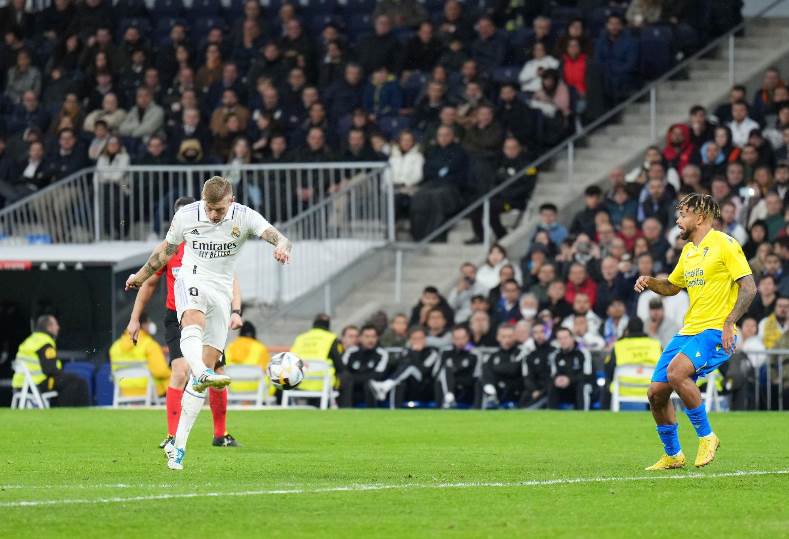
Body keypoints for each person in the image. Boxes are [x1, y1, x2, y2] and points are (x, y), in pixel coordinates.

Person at [125, 177, 292, 470]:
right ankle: (202, 371)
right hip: (190, 279)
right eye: (209, 208)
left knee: (202, 378)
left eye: (219, 209)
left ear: (232, 200)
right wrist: (139, 277)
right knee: (192, 319)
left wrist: (282, 247)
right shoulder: (187, 216)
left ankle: (178, 447)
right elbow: (163, 251)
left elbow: (279, 236)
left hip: (222, 291)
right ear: (203, 201)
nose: (214, 215)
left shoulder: (245, 216)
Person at [634, 193, 755, 470]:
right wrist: (651, 281)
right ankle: (674, 454)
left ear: (700, 218)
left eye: (683, 214)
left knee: (677, 373)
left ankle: (707, 437)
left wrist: (729, 322)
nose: (678, 220)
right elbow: (673, 287)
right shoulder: (688, 251)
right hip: (689, 330)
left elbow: (749, 287)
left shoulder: (725, 244)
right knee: (655, 392)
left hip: (715, 330)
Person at [126, 196, 246, 450]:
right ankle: (172, 436)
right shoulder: (167, 248)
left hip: (210, 314)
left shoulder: (213, 244)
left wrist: (236, 310)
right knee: (180, 371)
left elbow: (231, 280)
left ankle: (220, 434)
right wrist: (134, 318)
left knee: (216, 374)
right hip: (177, 316)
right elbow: (148, 283)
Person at [12, 315, 90, 407]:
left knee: (65, 380)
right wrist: (61, 373)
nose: (58, 327)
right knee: (78, 381)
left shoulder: (30, 340)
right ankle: (66, 411)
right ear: (49, 327)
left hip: (20, 384)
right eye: (56, 324)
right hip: (36, 384)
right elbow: (50, 369)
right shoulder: (45, 342)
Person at [369, 326, 441, 407]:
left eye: (420, 338)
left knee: (410, 367)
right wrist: (412, 352)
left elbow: (423, 370)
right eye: (415, 338)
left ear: (425, 339)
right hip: (406, 384)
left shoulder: (432, 352)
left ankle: (385, 386)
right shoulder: (405, 351)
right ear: (410, 340)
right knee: (399, 381)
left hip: (423, 385)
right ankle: (393, 411)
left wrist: (416, 353)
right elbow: (400, 367)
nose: (418, 341)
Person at [603, 318, 661, 409]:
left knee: (606, 384)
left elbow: (608, 367)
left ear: (627, 330)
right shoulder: (656, 344)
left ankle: (605, 415)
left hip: (623, 388)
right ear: (643, 329)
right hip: (652, 389)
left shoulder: (619, 345)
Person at [110, 312, 170, 398]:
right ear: (143, 325)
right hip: (150, 391)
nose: (150, 324)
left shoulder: (114, 347)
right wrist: (171, 373)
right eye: (148, 322)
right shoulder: (149, 345)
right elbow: (160, 372)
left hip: (124, 392)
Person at [338, 325, 389, 407]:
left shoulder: (382, 353)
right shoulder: (351, 352)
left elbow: (378, 375)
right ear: (360, 338)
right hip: (353, 388)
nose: (370, 340)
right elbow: (343, 370)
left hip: (370, 389)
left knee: (370, 384)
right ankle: (345, 412)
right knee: (346, 381)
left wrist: (355, 378)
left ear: (377, 338)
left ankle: (371, 415)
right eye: (367, 336)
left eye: (373, 336)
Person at [289, 313, 343, 392]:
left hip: (298, 383)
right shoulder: (330, 338)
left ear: (314, 323)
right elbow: (339, 365)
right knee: (347, 377)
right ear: (328, 325)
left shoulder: (300, 338)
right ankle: (345, 404)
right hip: (322, 383)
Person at [480, 324, 526, 407]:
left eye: (510, 336)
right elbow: (486, 369)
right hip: (498, 387)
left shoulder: (521, 352)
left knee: (488, 369)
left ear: (515, 337)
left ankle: (491, 395)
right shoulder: (493, 356)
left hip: (515, 389)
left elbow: (513, 369)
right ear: (498, 337)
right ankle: (486, 399)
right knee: (481, 377)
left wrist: (494, 368)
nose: (507, 340)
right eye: (503, 336)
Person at [437, 325, 481, 408]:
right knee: (443, 374)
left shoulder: (474, 353)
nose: (460, 341)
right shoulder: (445, 352)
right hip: (449, 383)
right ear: (453, 339)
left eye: (463, 338)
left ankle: (449, 400)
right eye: (457, 338)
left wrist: (455, 369)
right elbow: (437, 372)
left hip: (468, 386)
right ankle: (446, 401)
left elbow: (477, 375)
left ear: (468, 338)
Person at [547, 327, 591, 410]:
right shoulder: (556, 355)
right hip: (565, 389)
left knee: (583, 386)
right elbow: (553, 374)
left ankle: (583, 415)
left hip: (580, 386)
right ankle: (551, 414)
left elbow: (588, 375)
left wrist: (569, 380)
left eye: (565, 338)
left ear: (572, 338)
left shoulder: (583, 353)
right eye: (560, 338)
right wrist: (557, 379)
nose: (563, 341)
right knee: (552, 385)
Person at [224, 322, 271, 394]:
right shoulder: (260, 348)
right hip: (256, 388)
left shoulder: (231, 347)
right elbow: (266, 370)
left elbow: (224, 367)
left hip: (233, 387)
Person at [522, 323, 554, 409]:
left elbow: (555, 375)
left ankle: (527, 412)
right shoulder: (530, 355)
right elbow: (528, 376)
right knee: (524, 395)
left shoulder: (555, 353)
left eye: (542, 332)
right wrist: (534, 390)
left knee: (550, 392)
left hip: (550, 388)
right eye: (535, 332)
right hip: (535, 389)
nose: (539, 335)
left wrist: (542, 391)